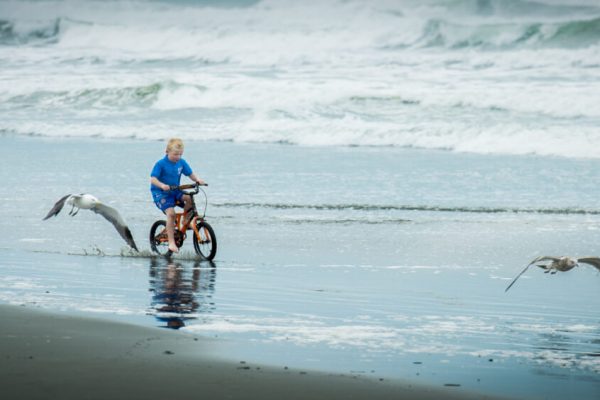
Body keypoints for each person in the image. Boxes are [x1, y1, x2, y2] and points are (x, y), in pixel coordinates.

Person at [150, 138, 205, 253]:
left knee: (189, 198)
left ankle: (186, 221)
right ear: (167, 151)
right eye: (175, 154)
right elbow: (153, 179)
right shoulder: (160, 164)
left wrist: (198, 180)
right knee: (171, 214)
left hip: (175, 191)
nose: (178, 157)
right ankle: (171, 243)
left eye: (180, 154)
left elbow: (190, 174)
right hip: (161, 193)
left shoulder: (181, 162)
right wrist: (162, 185)